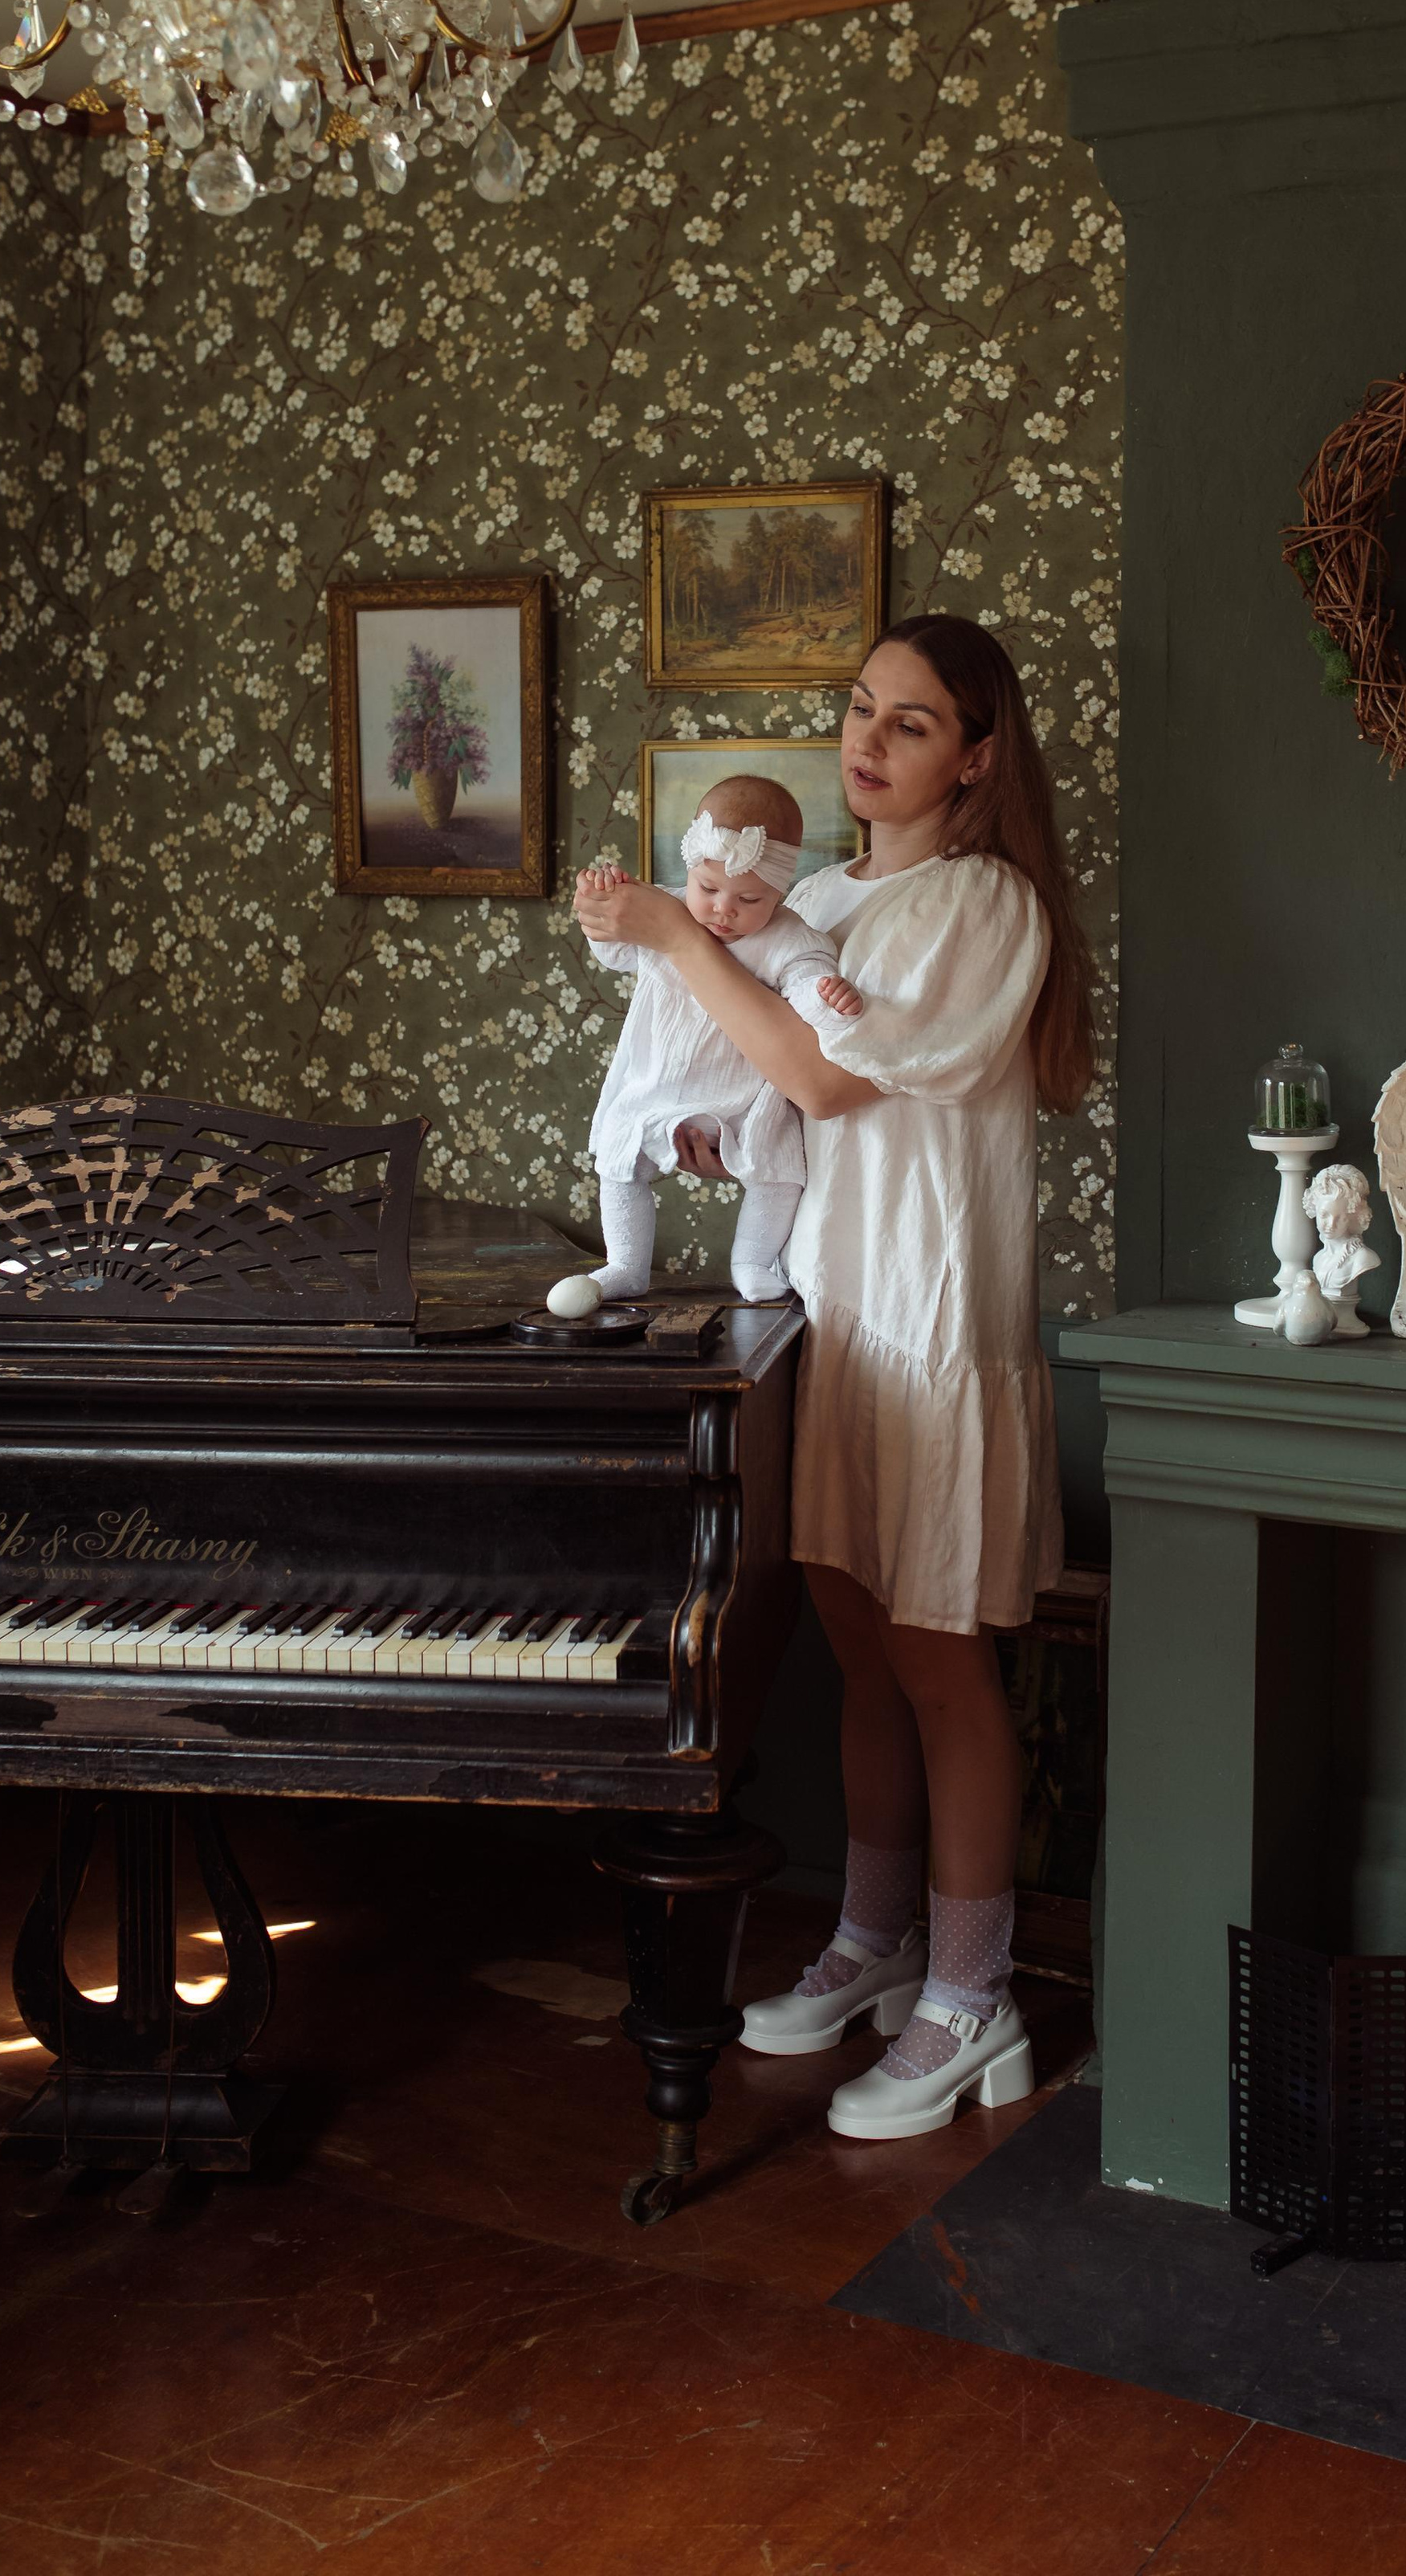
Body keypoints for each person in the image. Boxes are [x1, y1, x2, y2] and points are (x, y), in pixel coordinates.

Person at [576, 614, 1094, 2141]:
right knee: (859, 1649)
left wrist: (679, 934)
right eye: (861, 709)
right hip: (830, 1315)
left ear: (978, 758)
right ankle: (878, 1946)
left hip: (934, 1317)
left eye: (913, 723)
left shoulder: (982, 906)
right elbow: (768, 1102)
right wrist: (695, 1126)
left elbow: (827, 1074)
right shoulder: (812, 898)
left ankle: (978, 1988)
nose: (868, 741)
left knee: (943, 1661)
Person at [575, 774, 858, 1304]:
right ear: (689, 871)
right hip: (657, 1084)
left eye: (749, 898)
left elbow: (808, 989)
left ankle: (753, 1262)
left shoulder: (790, 938)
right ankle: (626, 1265)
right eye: (708, 889)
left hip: (743, 1101)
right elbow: (615, 950)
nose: (723, 909)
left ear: (780, 889)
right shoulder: (664, 908)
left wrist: (830, 999)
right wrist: (598, 907)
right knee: (620, 1158)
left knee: (779, 1171)